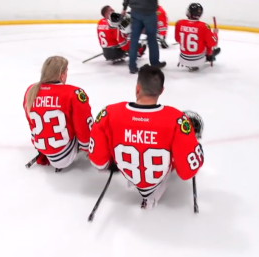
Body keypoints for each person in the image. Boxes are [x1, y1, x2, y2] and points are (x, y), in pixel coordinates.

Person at [87, 64, 204, 209]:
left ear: (137, 88)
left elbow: (98, 162)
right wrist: (196, 147)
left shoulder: (109, 113)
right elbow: (187, 172)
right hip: (159, 179)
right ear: (161, 91)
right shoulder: (177, 119)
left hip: (129, 173)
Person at [23, 56, 94, 172]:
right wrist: (90, 149)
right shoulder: (74, 93)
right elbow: (83, 127)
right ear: (61, 75)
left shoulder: (30, 91)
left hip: (43, 148)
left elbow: (32, 124)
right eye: (66, 72)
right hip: (65, 154)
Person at [122, 0, 166, 74]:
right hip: (149, 12)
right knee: (152, 39)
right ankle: (154, 64)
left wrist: (124, 8)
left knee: (134, 39)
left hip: (135, 11)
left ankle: (132, 66)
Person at [174, 3, 220, 72]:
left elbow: (177, 39)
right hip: (198, 60)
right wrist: (215, 34)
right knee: (208, 43)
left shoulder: (179, 23)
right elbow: (213, 43)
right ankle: (209, 56)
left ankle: (189, 63)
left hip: (183, 58)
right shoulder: (204, 26)